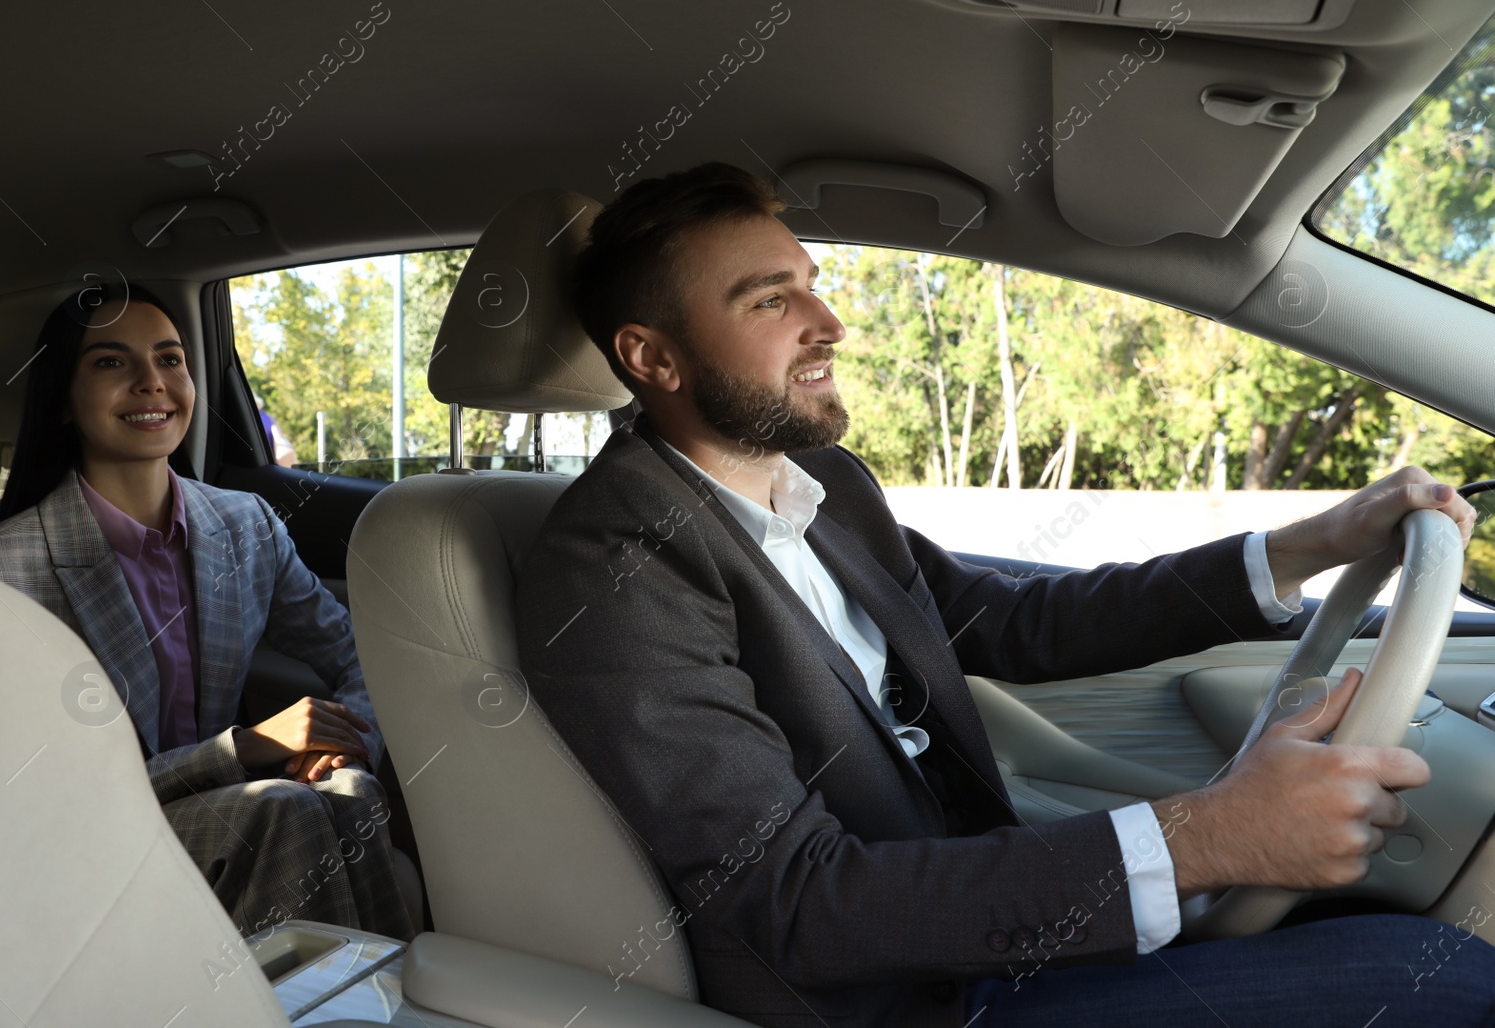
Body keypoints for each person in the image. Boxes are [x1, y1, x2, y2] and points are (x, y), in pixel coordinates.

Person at [514, 163, 1495, 1026]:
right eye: (770, 300)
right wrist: (1207, 833)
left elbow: (1011, 621)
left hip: (982, 927)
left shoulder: (825, 487)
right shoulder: (619, 562)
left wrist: (1303, 546)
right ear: (652, 357)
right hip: (903, 999)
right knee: (1439, 976)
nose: (830, 324)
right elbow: (796, 904)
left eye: (810, 286)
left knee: (1369, 918)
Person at [0, 284, 414, 941]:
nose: (152, 382)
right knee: (279, 810)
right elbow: (26, 794)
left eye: (170, 359)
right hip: (80, 835)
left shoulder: (245, 524)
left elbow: (357, 650)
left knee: (349, 790)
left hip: (210, 812)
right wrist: (241, 748)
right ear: (61, 398)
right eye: (112, 363)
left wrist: (345, 742)